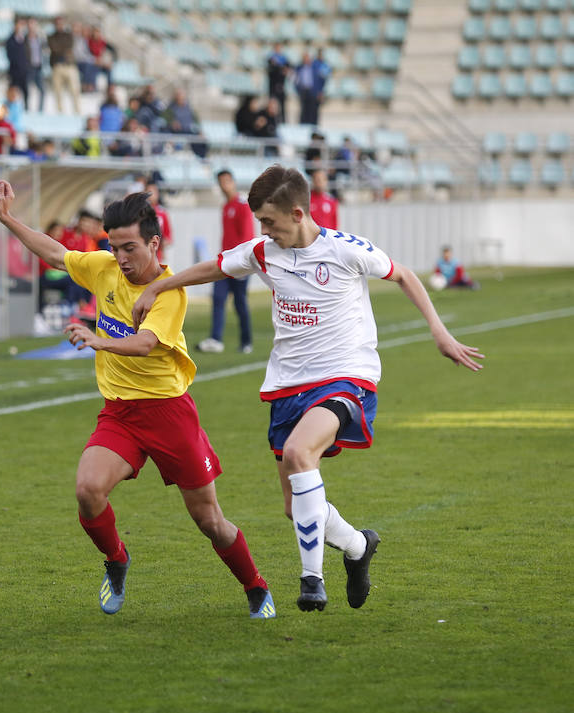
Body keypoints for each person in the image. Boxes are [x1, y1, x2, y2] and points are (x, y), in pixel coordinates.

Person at [132, 165, 485, 613]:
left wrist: (440, 332)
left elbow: (404, 275)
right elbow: (217, 267)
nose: (264, 230)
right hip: (287, 385)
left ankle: (311, 579)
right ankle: (358, 547)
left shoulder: (345, 250)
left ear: (298, 213)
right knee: (293, 506)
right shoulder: (264, 251)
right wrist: (162, 284)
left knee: (300, 454)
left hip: (345, 377)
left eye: (269, 221)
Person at [0, 179, 277, 620]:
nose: (121, 258)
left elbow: (145, 344)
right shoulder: (103, 267)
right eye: (114, 247)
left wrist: (97, 340)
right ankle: (117, 560)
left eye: (129, 248)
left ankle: (255, 586)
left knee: (209, 520)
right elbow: (53, 253)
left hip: (170, 414)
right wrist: (10, 219)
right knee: (88, 491)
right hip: (121, 413)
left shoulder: (168, 290)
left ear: (154, 243)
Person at [196, 170, 254, 355]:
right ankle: (216, 339)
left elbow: (246, 236)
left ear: (233, 182)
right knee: (218, 298)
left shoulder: (242, 205)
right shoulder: (225, 206)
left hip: (240, 264)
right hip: (225, 263)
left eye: (227, 181)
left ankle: (246, 341)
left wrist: (243, 264)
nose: (224, 185)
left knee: (240, 303)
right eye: (221, 182)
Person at [47, 16, 80, 114]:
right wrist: (63, 50)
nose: (59, 25)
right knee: (58, 92)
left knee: (74, 91)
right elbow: (54, 48)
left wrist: (61, 49)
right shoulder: (51, 37)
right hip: (57, 66)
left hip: (69, 65)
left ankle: (77, 111)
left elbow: (68, 47)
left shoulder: (68, 36)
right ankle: (60, 112)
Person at [5, 16, 29, 108]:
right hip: (14, 70)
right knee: (12, 91)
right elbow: (10, 55)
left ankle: (26, 108)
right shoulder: (10, 40)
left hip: (24, 70)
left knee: (25, 91)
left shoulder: (25, 39)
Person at [266, 43, 290, 124]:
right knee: (272, 104)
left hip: (281, 86)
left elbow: (287, 69)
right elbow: (271, 70)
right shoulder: (270, 59)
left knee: (281, 105)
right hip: (272, 86)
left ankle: (282, 121)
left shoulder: (284, 59)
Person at [25, 18, 46, 111]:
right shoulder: (24, 39)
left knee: (42, 90)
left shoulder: (40, 39)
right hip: (28, 67)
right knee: (27, 90)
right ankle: (27, 109)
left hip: (38, 67)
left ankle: (40, 110)